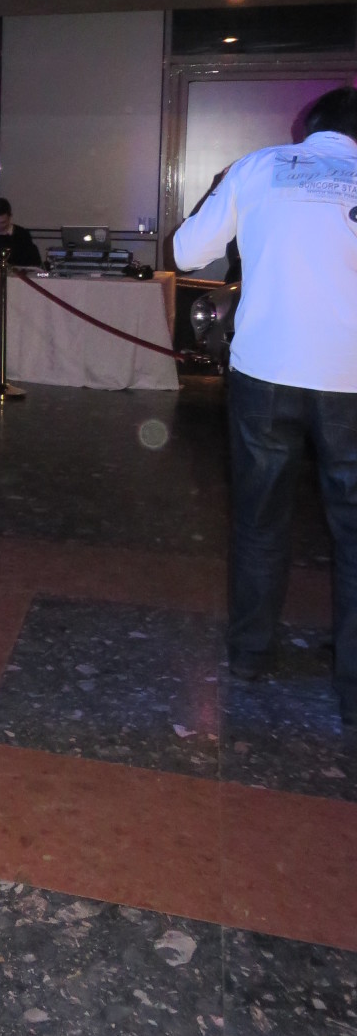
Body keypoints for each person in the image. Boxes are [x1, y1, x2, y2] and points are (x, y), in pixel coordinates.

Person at [173, 86, 357, 725]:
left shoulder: (259, 166)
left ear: (307, 128)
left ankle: (251, 654)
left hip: (267, 370)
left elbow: (185, 252)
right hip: (352, 376)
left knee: (259, 520)